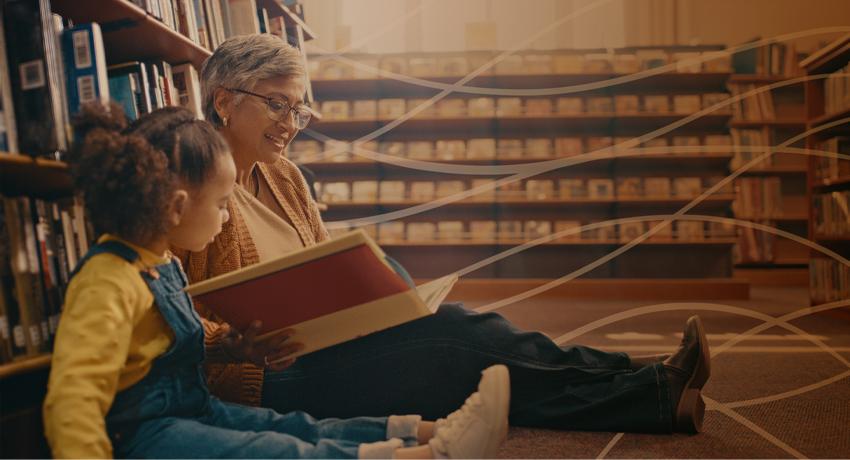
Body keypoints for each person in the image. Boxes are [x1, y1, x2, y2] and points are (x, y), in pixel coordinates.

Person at [175, 33, 712, 435]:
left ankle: (651, 392)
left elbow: (321, 267)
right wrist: (242, 346)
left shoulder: (286, 176)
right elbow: (173, 315)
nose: (291, 122)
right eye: (277, 104)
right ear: (223, 101)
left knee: (466, 367)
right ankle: (646, 384)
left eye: (299, 109)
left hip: (329, 348)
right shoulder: (192, 185)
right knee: (456, 338)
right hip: (264, 381)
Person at [42, 103, 511, 459]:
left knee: (294, 425)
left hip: (191, 407)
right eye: (223, 202)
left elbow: (162, 346)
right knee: (276, 451)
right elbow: (74, 397)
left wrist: (228, 347)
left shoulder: (159, 261)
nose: (227, 218)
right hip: (144, 433)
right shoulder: (106, 281)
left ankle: (432, 430)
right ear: (178, 207)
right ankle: (435, 455)